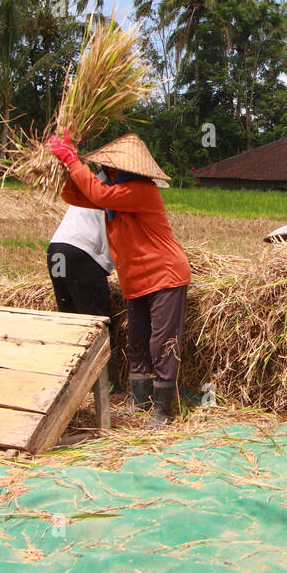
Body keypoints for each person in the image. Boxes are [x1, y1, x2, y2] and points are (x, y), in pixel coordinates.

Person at [49, 131, 190, 428]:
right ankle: (139, 402)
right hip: (135, 280)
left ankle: (163, 411)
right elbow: (74, 194)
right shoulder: (114, 197)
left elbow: (98, 193)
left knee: (160, 342)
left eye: (113, 168)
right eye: (106, 168)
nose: (108, 172)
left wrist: (74, 160)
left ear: (129, 169)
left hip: (164, 275)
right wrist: (57, 169)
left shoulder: (140, 190)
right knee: (137, 342)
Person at [47, 202, 123, 390]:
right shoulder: (119, 191)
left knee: (69, 319)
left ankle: (70, 381)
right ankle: (105, 385)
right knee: (98, 322)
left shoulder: (92, 185)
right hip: (81, 254)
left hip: (57, 251)